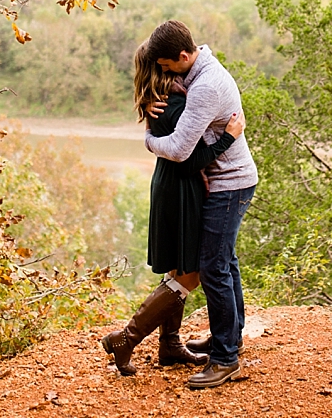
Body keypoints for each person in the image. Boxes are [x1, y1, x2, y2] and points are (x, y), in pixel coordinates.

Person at [100, 41, 245, 376]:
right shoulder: (173, 102)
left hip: (171, 186)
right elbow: (188, 160)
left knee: (178, 268)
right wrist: (228, 138)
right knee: (190, 274)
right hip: (182, 189)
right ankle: (126, 339)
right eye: (164, 63)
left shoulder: (160, 100)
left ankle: (169, 344)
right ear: (161, 66)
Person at [144, 20, 258, 390]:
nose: (163, 71)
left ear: (182, 55)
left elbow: (178, 150)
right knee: (225, 263)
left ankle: (226, 359)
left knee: (211, 268)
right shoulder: (199, 69)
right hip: (226, 182)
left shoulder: (206, 84)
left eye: (165, 65)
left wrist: (148, 139)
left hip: (229, 184)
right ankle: (230, 338)